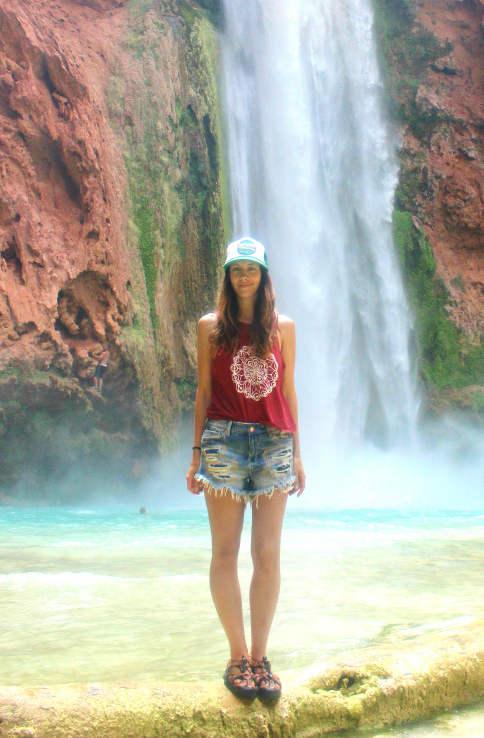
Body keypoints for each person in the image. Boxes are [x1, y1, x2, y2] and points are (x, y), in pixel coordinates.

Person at [186, 237, 305, 703]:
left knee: (269, 555)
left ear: (264, 274)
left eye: (251, 269)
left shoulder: (284, 327)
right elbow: (202, 392)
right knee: (224, 554)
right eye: (236, 269)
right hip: (223, 441)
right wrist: (195, 454)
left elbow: (290, 392)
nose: (244, 277)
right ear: (227, 275)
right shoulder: (210, 327)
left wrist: (298, 453)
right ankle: (236, 659)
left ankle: (261, 658)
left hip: (275, 442)